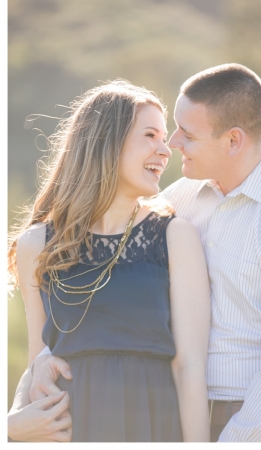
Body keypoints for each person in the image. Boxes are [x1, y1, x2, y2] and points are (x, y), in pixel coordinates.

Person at [27, 64, 261, 442]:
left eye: (186, 134)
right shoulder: (179, 199)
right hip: (181, 419)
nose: (173, 144)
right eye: (164, 131)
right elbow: (109, 228)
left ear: (233, 141)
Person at [8, 80, 211, 441]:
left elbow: (189, 367)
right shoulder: (37, 245)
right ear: (107, 142)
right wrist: (12, 426)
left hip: (152, 428)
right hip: (71, 433)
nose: (165, 150)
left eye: (165, 139)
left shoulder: (175, 236)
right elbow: (39, 361)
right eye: (150, 135)